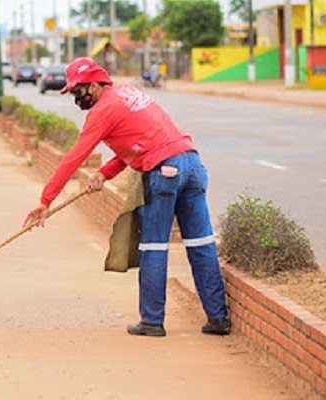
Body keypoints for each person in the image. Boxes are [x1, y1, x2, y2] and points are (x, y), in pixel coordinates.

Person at [24, 58, 231, 337]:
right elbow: (136, 146)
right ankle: (218, 318)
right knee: (201, 243)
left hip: (164, 172)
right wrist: (104, 174)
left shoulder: (102, 111)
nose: (77, 99)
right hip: (192, 166)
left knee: (154, 247)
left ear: (94, 85)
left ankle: (152, 321)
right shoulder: (127, 94)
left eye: (78, 92)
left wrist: (45, 200)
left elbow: (74, 157)